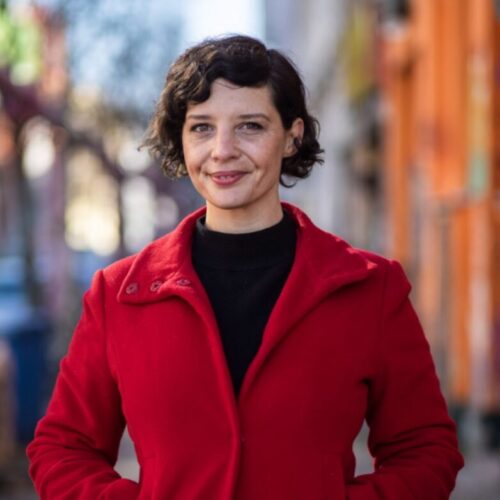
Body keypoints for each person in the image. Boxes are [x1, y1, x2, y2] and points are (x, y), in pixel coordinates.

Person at [27, 34, 463, 499]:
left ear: (292, 135)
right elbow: (62, 448)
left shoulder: (370, 288)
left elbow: (426, 448)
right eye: (201, 128)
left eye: (250, 126)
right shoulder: (119, 295)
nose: (222, 150)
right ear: (182, 139)